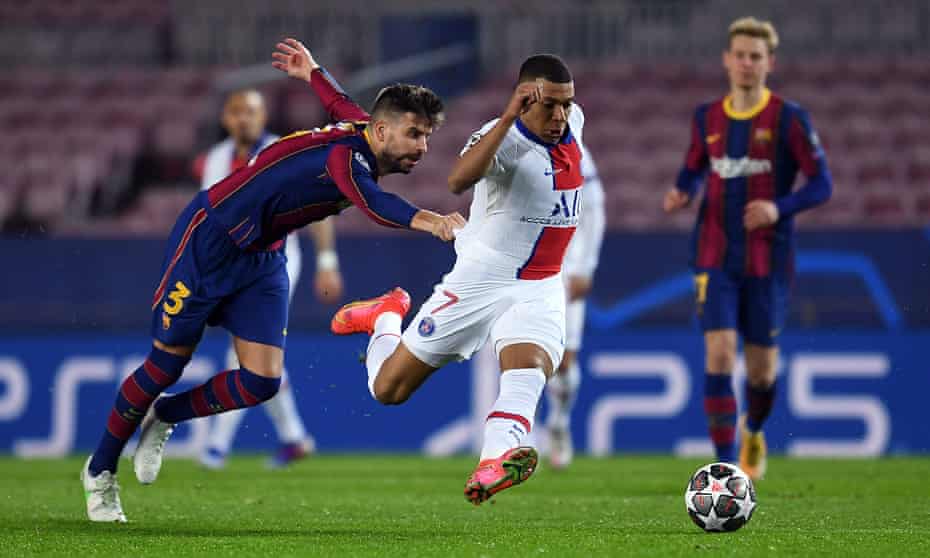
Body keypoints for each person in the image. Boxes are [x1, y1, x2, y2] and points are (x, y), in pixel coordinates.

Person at [80, 37, 464, 522]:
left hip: (263, 259)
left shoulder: (363, 130)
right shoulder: (347, 160)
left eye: (427, 136)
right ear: (382, 130)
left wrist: (313, 72)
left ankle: (167, 415)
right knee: (163, 368)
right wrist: (433, 222)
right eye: (414, 134)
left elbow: (339, 101)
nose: (422, 147)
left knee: (262, 382)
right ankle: (100, 472)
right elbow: (375, 205)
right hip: (210, 242)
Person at [332, 54, 584, 505]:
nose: (561, 116)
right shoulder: (501, 140)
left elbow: (566, 118)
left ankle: (493, 461)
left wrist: (557, 110)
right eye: (550, 107)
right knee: (388, 389)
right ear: (525, 102)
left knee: (529, 368)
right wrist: (508, 118)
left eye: (567, 104)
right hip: (480, 278)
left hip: (541, 283)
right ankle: (385, 318)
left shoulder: (572, 122)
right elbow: (457, 180)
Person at [663, 17, 832, 480]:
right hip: (713, 252)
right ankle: (724, 466)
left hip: (768, 257)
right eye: (739, 54)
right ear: (726, 59)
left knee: (761, 372)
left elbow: (822, 183)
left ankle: (753, 430)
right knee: (718, 353)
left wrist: (780, 208)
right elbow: (695, 166)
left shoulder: (789, 119)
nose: (746, 63)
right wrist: (682, 190)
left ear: (770, 63)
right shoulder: (707, 117)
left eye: (756, 56)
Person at [195, 89, 344, 470]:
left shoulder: (285, 151)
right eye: (236, 111)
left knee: (243, 350)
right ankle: (295, 438)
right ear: (226, 119)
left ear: (264, 117)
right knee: (261, 357)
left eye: (251, 111)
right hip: (233, 266)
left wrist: (327, 260)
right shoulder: (215, 159)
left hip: (276, 262)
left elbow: (318, 207)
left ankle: (216, 447)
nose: (244, 118)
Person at [545, 142, 605, 470]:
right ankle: (516, 437)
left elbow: (595, 210)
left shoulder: (577, 151)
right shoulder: (512, 143)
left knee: (564, 361)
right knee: (517, 353)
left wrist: (586, 266)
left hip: (565, 271)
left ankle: (558, 423)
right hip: (522, 268)